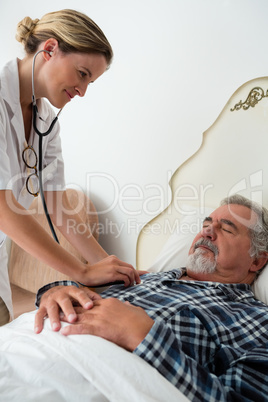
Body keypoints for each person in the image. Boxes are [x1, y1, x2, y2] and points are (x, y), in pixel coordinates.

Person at [35, 194, 268, 401]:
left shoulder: (258, 321)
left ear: (257, 261)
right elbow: (85, 291)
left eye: (226, 229)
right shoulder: (143, 277)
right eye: (206, 224)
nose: (207, 231)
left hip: (79, 381)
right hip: (31, 341)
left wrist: (144, 337)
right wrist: (57, 291)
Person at [0, 9, 142, 325]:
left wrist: (111, 267)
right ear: (49, 50)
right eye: (82, 73)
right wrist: (81, 271)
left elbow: (58, 207)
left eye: (90, 81)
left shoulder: (45, 122)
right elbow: (1, 206)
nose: (83, 91)